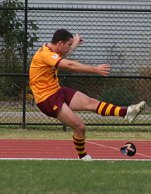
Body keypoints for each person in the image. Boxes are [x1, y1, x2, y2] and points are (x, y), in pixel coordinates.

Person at [29, 29, 145, 161]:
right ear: (60, 43)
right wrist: (94, 69)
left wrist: (74, 44)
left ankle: (126, 113)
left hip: (56, 91)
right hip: (47, 99)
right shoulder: (45, 54)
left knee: (91, 103)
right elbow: (69, 65)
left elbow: (63, 55)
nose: (69, 48)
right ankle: (82, 156)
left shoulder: (52, 50)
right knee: (80, 127)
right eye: (68, 44)